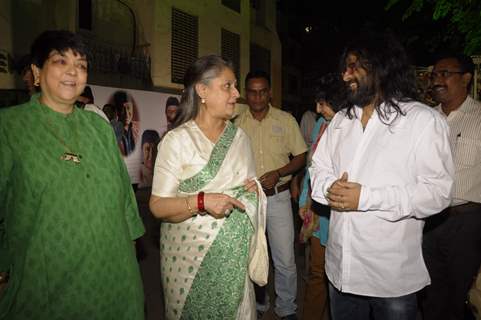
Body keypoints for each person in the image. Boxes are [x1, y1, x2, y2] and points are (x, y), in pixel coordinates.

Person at [309, 32, 454, 320]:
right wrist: (330, 189)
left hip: (390, 277)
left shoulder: (422, 121)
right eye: (345, 67)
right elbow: (319, 167)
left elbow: (438, 193)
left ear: (382, 67)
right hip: (341, 270)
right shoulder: (340, 120)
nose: (345, 74)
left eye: (354, 66)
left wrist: (366, 197)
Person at [0, 30, 144, 319]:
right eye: (61, 61)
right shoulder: (10, 127)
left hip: (116, 278)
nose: (73, 71)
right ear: (36, 72)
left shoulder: (98, 127)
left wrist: (131, 253)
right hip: (46, 283)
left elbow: (125, 198)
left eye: (81, 65)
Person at [149, 55, 268, 320]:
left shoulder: (240, 139)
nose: (237, 94)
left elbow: (250, 189)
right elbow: (157, 206)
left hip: (233, 263)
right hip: (188, 265)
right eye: (228, 86)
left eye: (236, 86)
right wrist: (202, 202)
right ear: (202, 91)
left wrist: (252, 193)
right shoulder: (177, 141)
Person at [235, 70, 307, 320]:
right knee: (252, 255)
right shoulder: (236, 123)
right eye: (252, 92)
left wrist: (279, 172)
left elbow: (300, 156)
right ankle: (259, 303)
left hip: (278, 198)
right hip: (248, 200)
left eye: (262, 91)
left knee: (284, 258)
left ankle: (286, 307)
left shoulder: (285, 120)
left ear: (269, 92)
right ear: (246, 94)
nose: (257, 96)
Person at [422, 53, 481, 320]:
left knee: (458, 297)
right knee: (429, 293)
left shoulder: (478, 117)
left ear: (466, 78)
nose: (437, 80)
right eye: (435, 74)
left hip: (465, 222)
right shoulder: (424, 121)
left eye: (445, 74)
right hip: (427, 221)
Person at [298, 74, 344, 320]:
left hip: (343, 213)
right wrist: (305, 200)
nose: (318, 109)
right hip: (318, 213)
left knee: (342, 279)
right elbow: (311, 167)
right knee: (317, 274)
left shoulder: (355, 127)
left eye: (323, 103)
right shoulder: (320, 124)